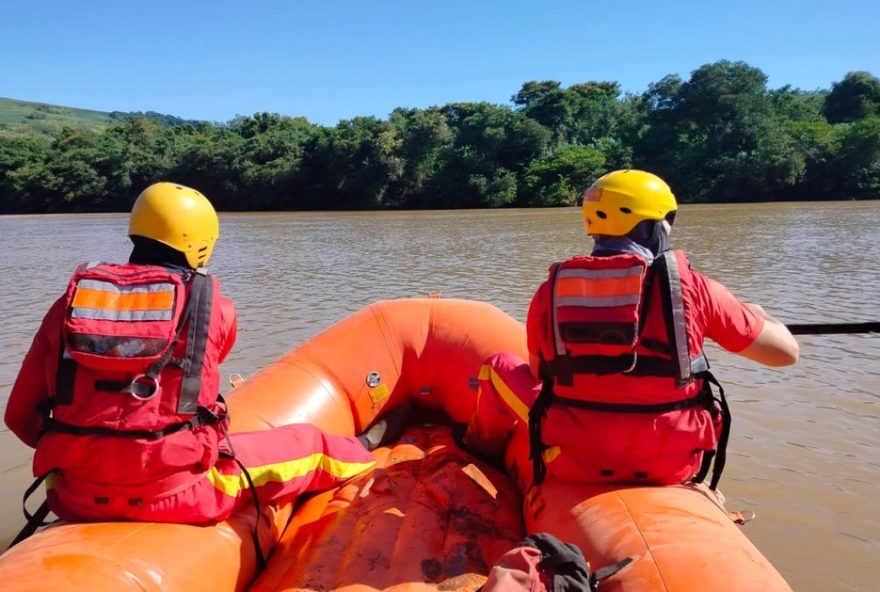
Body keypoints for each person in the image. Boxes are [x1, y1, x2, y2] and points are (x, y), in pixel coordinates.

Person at [4, 181, 402, 535]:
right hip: (180, 495)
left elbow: (19, 418)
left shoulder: (69, 307)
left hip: (73, 495)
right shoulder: (216, 309)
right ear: (201, 241)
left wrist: (92, 455)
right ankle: (365, 448)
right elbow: (208, 367)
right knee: (311, 444)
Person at [463, 169, 799, 490]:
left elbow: (538, 372)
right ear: (657, 227)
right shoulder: (697, 289)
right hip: (673, 465)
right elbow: (785, 354)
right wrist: (760, 316)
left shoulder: (550, 291)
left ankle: (483, 457)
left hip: (578, 459)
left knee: (497, 367)